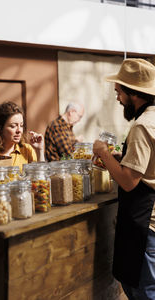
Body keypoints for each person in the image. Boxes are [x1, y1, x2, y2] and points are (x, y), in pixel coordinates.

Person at [93, 58, 155, 299]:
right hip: (149, 222)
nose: (118, 98)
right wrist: (124, 156)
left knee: (144, 292)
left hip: (145, 225)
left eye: (119, 92)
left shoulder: (141, 127)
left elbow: (129, 181)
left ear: (134, 93)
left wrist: (103, 153)